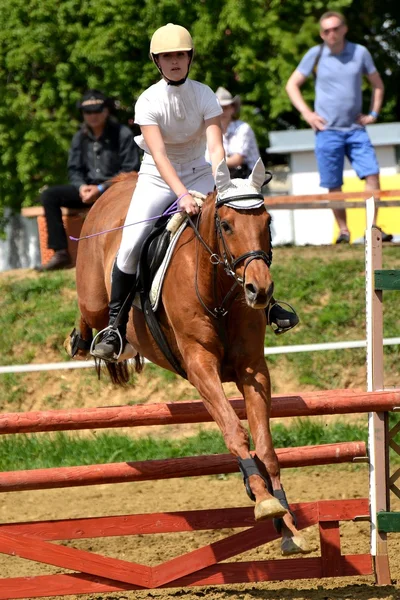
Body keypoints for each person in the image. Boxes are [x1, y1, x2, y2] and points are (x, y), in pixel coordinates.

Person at [92, 24, 299, 362]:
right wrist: (182, 195)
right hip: (157, 177)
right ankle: (115, 327)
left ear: (189, 58)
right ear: (158, 62)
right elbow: (159, 155)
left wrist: (224, 185)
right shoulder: (148, 100)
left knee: (238, 226)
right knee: (129, 247)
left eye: (180, 55)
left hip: (201, 172)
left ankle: (270, 304)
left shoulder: (205, 95)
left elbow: (216, 147)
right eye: (167, 57)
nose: (174, 61)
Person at [285, 11, 392, 244]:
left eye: (335, 29)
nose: (331, 34)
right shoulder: (315, 54)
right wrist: (307, 114)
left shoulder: (360, 52)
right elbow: (292, 85)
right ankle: (343, 231)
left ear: (344, 29)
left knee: (372, 174)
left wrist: (373, 113)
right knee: (333, 183)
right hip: (327, 132)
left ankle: (372, 229)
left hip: (356, 129)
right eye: (326, 30)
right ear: (321, 34)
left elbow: (378, 85)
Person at [35, 90, 141, 271]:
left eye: (97, 110)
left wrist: (100, 188)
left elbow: (131, 170)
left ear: (106, 111)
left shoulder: (122, 133)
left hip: (115, 188)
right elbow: (74, 169)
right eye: (88, 112)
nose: (93, 116)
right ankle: (61, 253)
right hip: (87, 190)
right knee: (49, 195)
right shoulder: (79, 137)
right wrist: (82, 187)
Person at [215, 87, 261, 179]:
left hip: (249, 178)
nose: (222, 111)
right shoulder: (214, 130)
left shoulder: (243, 128)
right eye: (219, 107)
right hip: (229, 177)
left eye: (226, 107)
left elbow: (237, 160)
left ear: (233, 108)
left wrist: (213, 163)